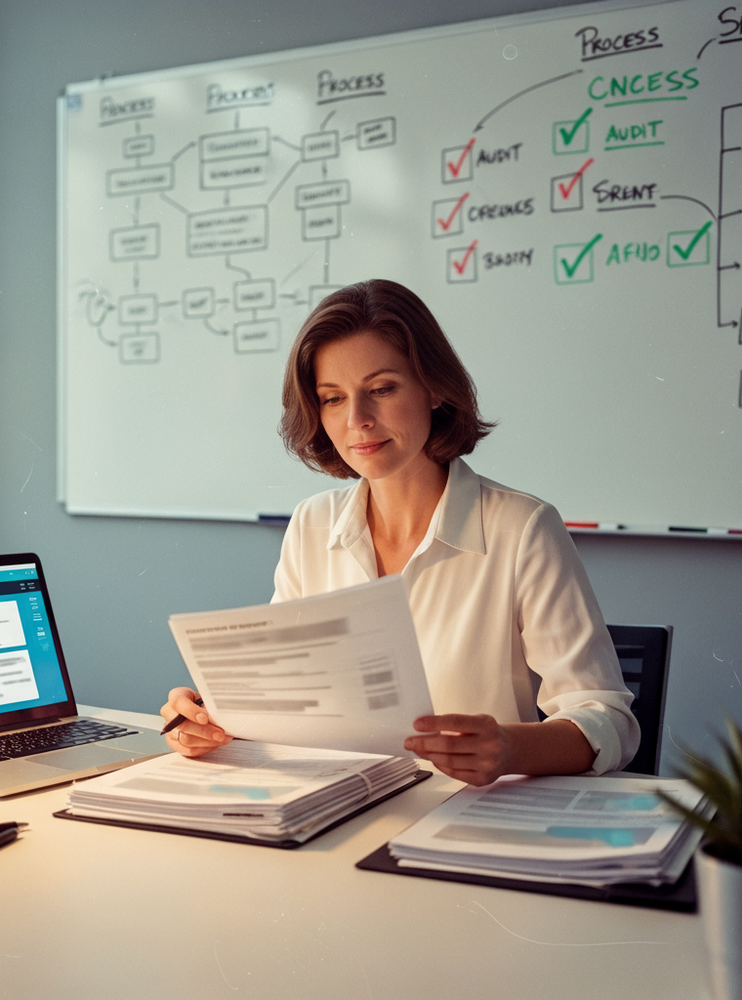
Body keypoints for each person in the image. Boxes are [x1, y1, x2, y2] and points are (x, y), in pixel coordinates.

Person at [162, 279, 639, 785]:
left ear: (434, 388)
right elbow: (285, 705)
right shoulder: (310, 525)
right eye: (332, 399)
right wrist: (205, 719)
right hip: (334, 808)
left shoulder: (521, 528)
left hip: (459, 817)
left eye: (382, 389)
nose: (357, 421)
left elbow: (608, 719)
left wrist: (508, 748)